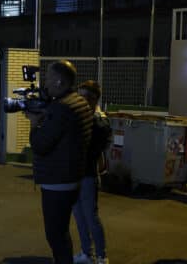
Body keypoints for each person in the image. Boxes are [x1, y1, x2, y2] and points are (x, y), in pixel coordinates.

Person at [24, 60, 92, 264]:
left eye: (48, 79)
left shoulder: (62, 108)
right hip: (72, 176)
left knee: (56, 234)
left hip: (58, 180)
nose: (45, 83)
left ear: (60, 81)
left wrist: (35, 124)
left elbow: (40, 145)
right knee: (61, 231)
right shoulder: (78, 102)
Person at [73, 81, 112, 264]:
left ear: (93, 98)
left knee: (90, 216)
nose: (79, 100)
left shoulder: (99, 120)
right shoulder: (87, 117)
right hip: (77, 173)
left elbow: (93, 147)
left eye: (83, 97)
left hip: (88, 175)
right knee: (80, 216)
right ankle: (87, 253)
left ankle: (102, 256)